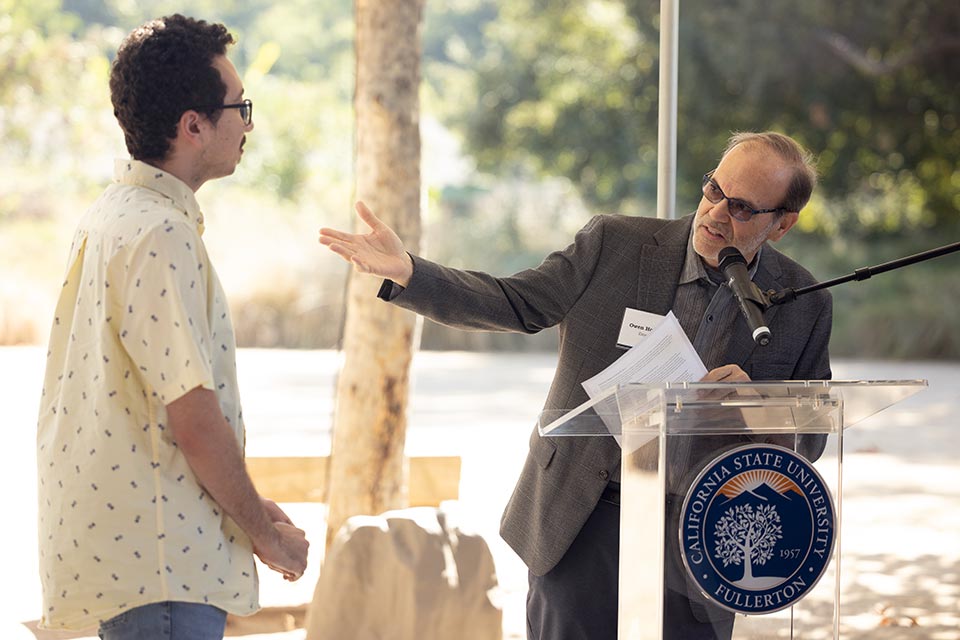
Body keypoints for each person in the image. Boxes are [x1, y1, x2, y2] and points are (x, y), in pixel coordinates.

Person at [318, 131, 832, 639]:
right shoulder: (616, 244)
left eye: (742, 208)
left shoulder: (803, 302)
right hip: (582, 516)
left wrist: (750, 409)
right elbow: (516, 302)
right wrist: (410, 271)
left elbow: (809, 439)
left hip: (700, 535)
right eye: (714, 190)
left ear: (782, 224)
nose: (717, 213)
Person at [36, 15, 309, 639]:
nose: (247, 121)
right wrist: (265, 537)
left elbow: (145, 409)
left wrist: (243, 506)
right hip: (163, 573)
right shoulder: (161, 234)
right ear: (194, 125)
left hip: (137, 561)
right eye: (239, 106)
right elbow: (192, 415)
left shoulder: (113, 214)